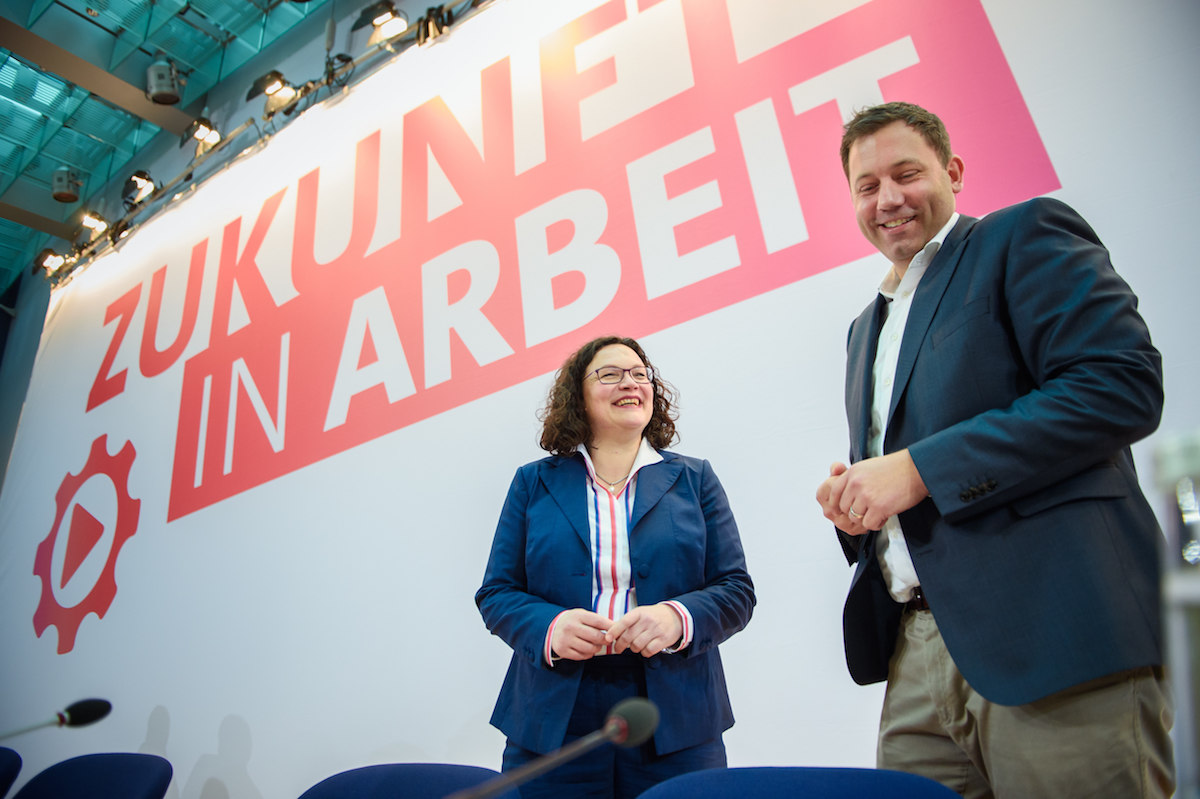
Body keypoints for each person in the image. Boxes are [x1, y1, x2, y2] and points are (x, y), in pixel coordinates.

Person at [814, 102, 1173, 798]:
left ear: (952, 171)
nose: (887, 198)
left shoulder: (1022, 235)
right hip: (915, 656)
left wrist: (918, 470)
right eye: (866, 185)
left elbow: (1119, 386)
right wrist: (862, 504)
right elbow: (912, 475)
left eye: (906, 172)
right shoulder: (865, 328)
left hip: (1054, 636)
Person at [477, 335, 755, 799]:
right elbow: (497, 592)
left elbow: (735, 590)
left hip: (675, 714)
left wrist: (676, 618)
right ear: (578, 396)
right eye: (610, 374)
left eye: (639, 373)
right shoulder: (532, 482)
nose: (630, 382)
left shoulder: (695, 478)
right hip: (553, 714)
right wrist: (551, 627)